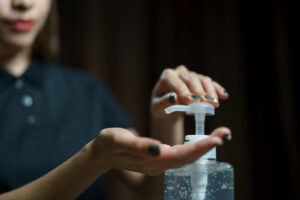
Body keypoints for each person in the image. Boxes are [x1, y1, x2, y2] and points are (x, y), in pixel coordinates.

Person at [0, 0, 232, 199]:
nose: (24, 3)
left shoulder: (87, 91)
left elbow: (152, 192)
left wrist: (167, 118)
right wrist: (92, 160)